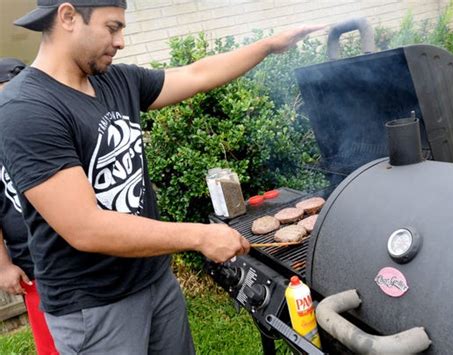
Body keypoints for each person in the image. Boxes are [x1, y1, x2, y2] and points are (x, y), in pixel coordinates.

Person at [0, 0, 326, 353]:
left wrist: (268, 46)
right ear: (67, 17)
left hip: (154, 279)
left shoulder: (116, 80)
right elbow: (84, 226)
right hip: (93, 304)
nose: (121, 40)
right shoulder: (27, 108)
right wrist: (199, 236)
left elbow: (196, 74)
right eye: (112, 27)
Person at [0, 57, 59, 355]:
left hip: (76, 255)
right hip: (32, 267)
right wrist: (3, 265)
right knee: (52, 346)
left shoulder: (49, 126)